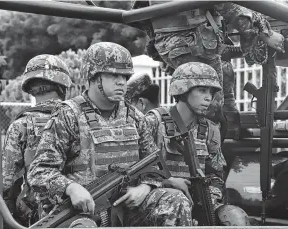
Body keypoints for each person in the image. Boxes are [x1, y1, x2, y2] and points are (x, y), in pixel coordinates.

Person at [27, 42, 192, 227]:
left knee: (175, 200)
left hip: (127, 206)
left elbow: (154, 165)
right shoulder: (68, 115)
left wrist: (145, 187)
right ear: (93, 76)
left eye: (124, 76)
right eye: (114, 75)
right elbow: (39, 171)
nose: (121, 81)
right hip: (83, 212)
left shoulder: (135, 117)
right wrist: (70, 188)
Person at [142, 1, 285, 139]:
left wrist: (160, 51)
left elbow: (140, 9)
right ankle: (205, 156)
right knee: (210, 108)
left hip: (176, 41)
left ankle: (228, 131)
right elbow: (228, 5)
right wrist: (266, 33)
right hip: (192, 41)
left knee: (221, 79)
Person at [143, 62, 250, 226]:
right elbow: (136, 172)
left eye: (211, 92)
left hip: (195, 200)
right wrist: (167, 181)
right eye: (202, 90)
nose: (208, 97)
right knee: (176, 205)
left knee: (234, 216)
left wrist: (208, 198)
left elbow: (215, 175)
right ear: (183, 90)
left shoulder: (210, 130)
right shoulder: (154, 122)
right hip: (157, 201)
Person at [2, 54, 73, 226]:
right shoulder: (78, 119)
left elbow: (6, 181)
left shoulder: (21, 125)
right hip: (81, 206)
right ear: (63, 85)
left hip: (38, 217)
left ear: (30, 88)